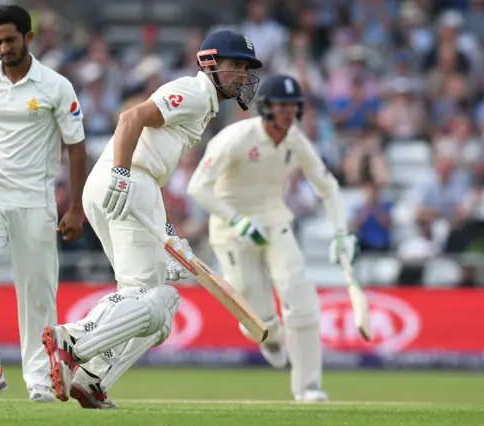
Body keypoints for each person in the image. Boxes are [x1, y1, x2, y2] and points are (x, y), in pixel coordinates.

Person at [41, 30, 263, 409]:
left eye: (246, 68)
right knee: (154, 296)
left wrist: (168, 233)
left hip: (135, 187)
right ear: (210, 64)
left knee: (158, 313)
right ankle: (73, 340)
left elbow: (154, 160)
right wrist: (123, 175)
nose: (242, 74)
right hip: (127, 181)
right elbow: (131, 118)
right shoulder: (194, 92)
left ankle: (93, 379)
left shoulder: (205, 104)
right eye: (235, 65)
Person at [186, 75, 359, 402]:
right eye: (281, 106)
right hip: (232, 229)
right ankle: (270, 336)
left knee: (303, 301)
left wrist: (341, 234)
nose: (287, 114)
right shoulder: (236, 137)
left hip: (275, 222)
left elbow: (328, 187)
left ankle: (309, 387)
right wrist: (236, 220)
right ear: (265, 107)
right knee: (258, 318)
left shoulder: (295, 141)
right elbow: (197, 186)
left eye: (293, 107)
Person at [0, 5, 88, 402]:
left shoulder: (56, 86)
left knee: (37, 293)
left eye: (10, 40)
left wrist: (75, 208)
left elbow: (76, 150)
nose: (3, 48)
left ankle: (41, 379)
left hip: (35, 202)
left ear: (29, 38)